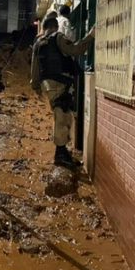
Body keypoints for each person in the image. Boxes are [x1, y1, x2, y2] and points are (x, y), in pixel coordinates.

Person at [30, 17, 95, 169]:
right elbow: (74, 50)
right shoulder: (58, 37)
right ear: (54, 27)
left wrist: (36, 87)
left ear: (44, 28)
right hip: (59, 82)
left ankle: (62, 151)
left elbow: (35, 67)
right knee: (62, 116)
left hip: (47, 84)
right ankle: (60, 153)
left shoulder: (38, 43)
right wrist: (90, 36)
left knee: (62, 115)